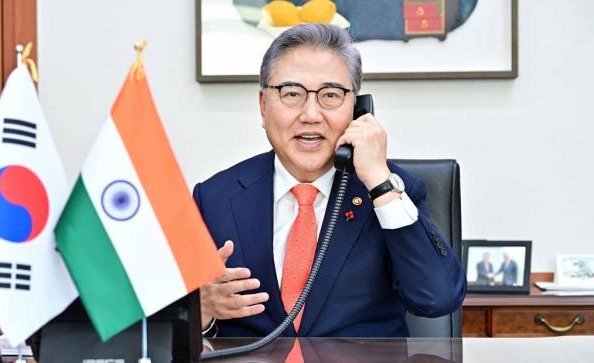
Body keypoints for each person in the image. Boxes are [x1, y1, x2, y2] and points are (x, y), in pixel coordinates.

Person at [193, 23, 466, 337]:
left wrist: (379, 181)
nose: (311, 114)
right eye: (291, 94)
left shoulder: (391, 191)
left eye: (331, 95)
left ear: (357, 108)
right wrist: (201, 309)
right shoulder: (214, 198)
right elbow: (165, 324)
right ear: (263, 105)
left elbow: (438, 298)